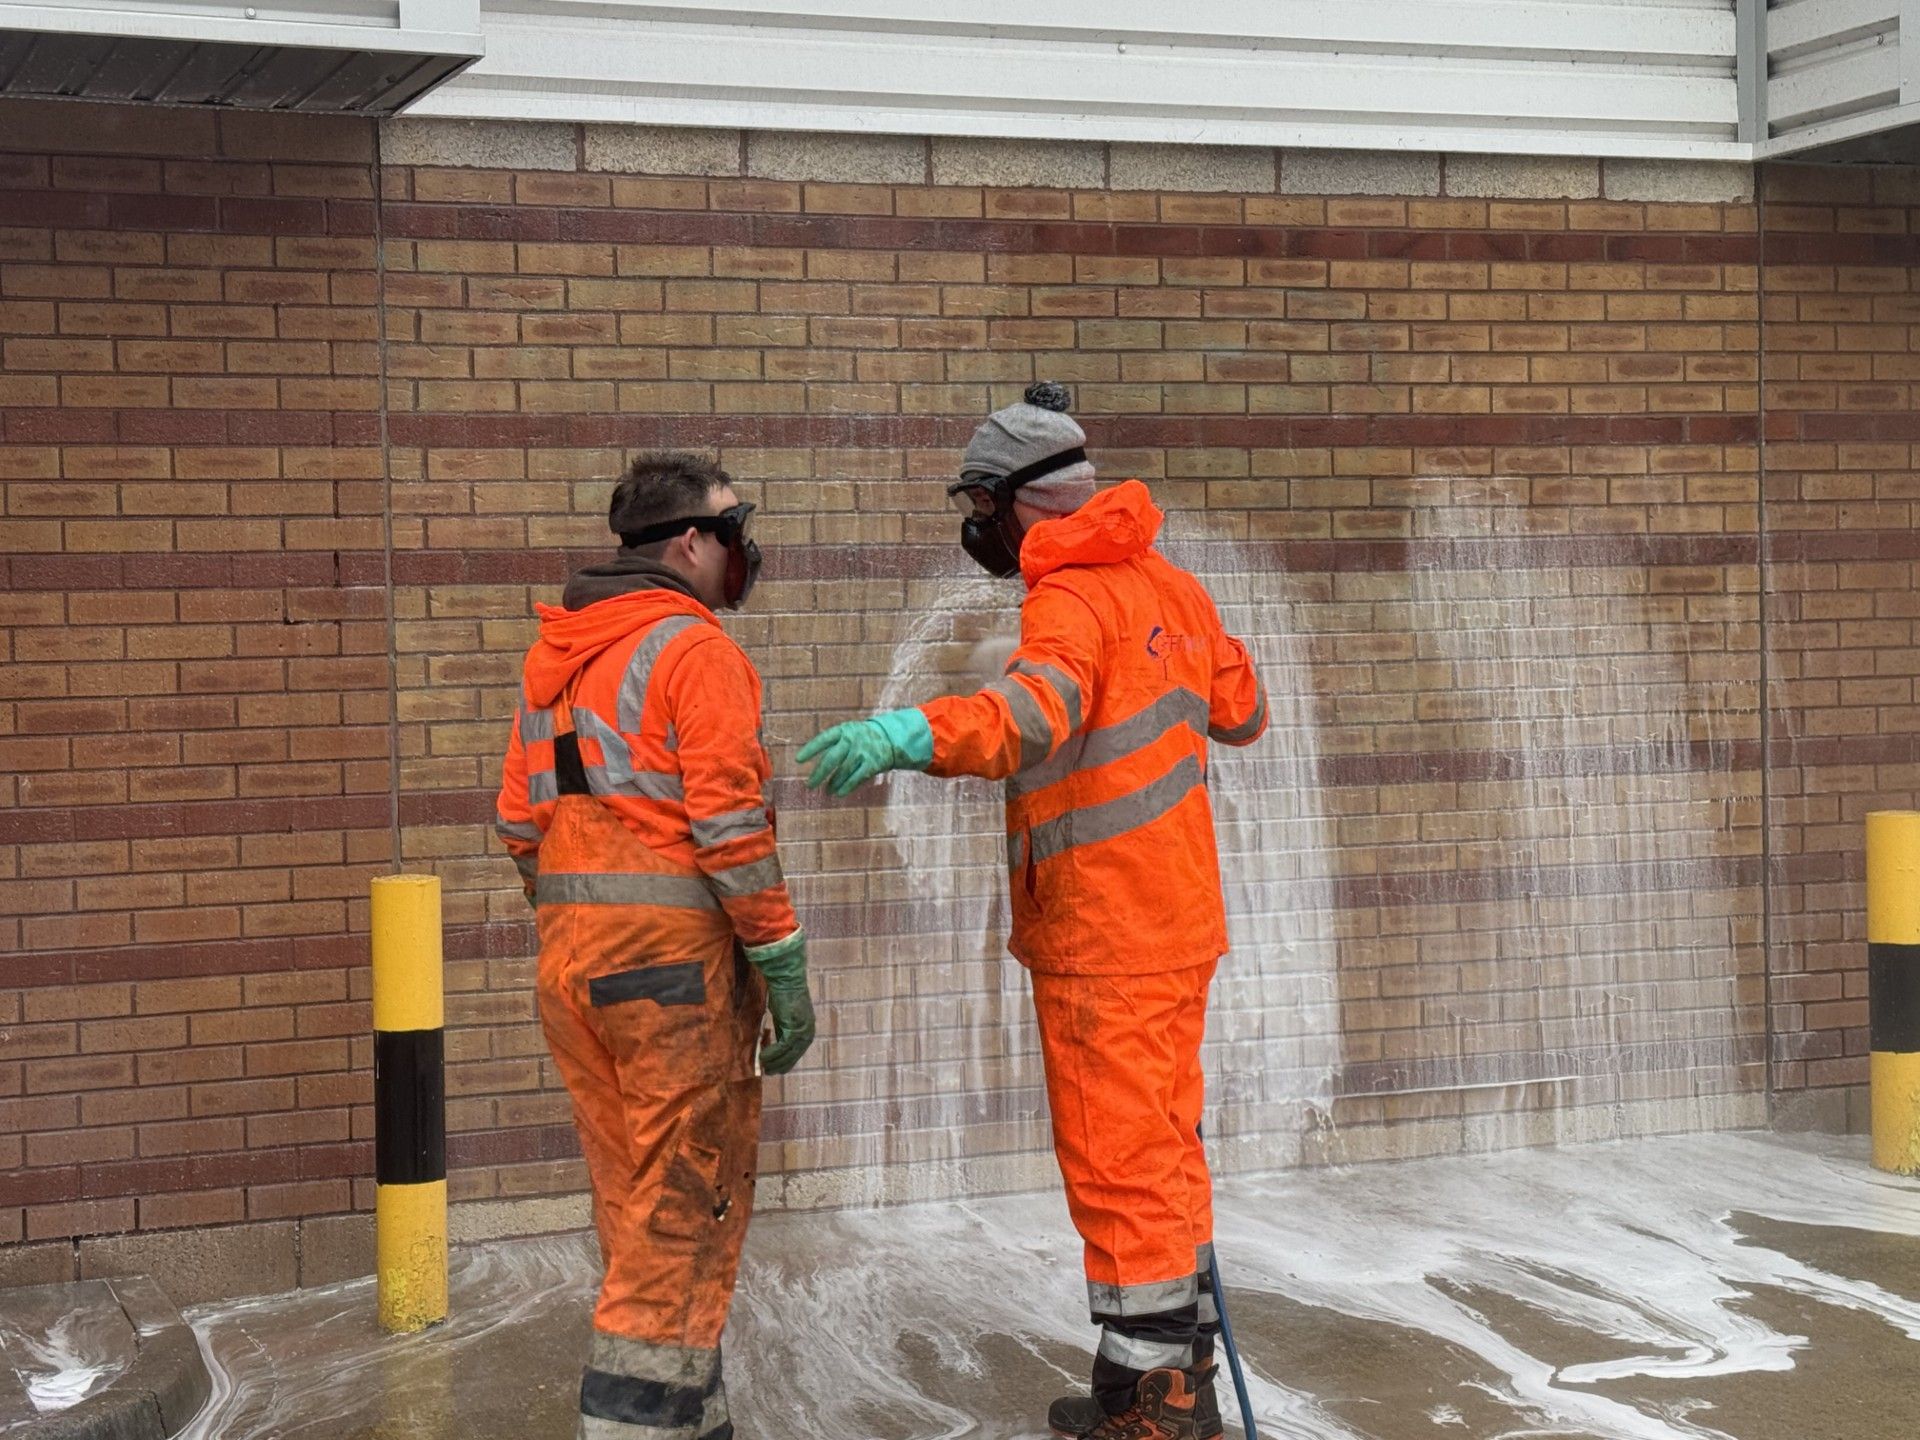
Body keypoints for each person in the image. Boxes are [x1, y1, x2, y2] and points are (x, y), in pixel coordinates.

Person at [799, 383, 1268, 1440]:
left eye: (979, 504)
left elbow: (1031, 720)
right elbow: (1244, 712)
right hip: (1180, 923)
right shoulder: (1172, 586)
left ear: (1024, 504)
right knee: (1164, 1153)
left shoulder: (1067, 599)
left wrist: (907, 734)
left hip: (1106, 936)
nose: (974, 527)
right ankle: (1165, 1370)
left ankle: (1155, 1411)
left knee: (1119, 1164)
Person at [494, 452, 814, 1440]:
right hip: (673, 982)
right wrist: (783, 959)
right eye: (733, 528)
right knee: (679, 1220)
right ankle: (632, 1425)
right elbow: (726, 828)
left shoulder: (562, 656)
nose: (743, 548)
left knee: (638, 1210)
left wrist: (588, 924)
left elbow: (518, 825)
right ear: (688, 542)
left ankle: (691, 1420)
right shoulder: (694, 650)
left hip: (575, 976)